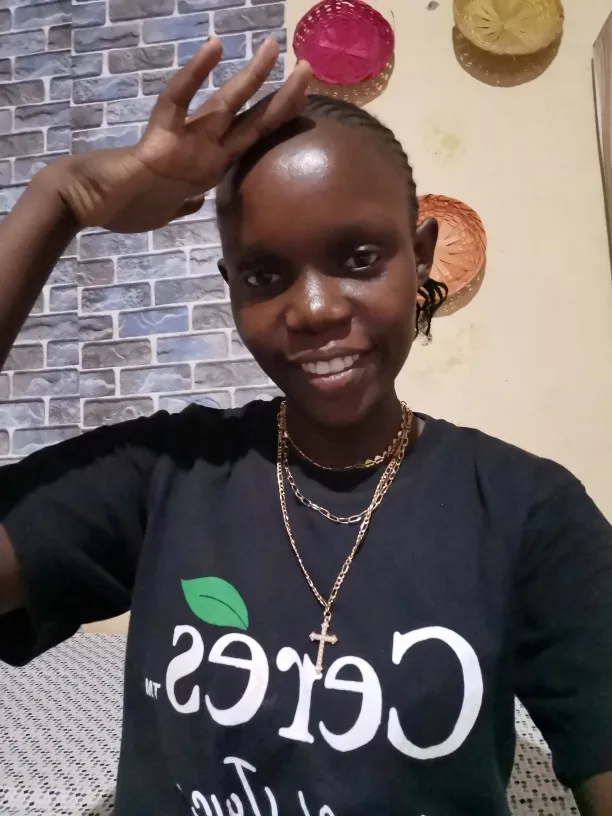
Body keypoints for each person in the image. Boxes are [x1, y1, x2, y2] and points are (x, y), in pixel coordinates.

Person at [0, 35, 611, 816]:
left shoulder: (530, 512)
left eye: (357, 257)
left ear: (421, 256)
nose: (314, 309)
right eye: (264, 275)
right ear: (230, 286)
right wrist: (58, 200)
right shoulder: (164, 475)